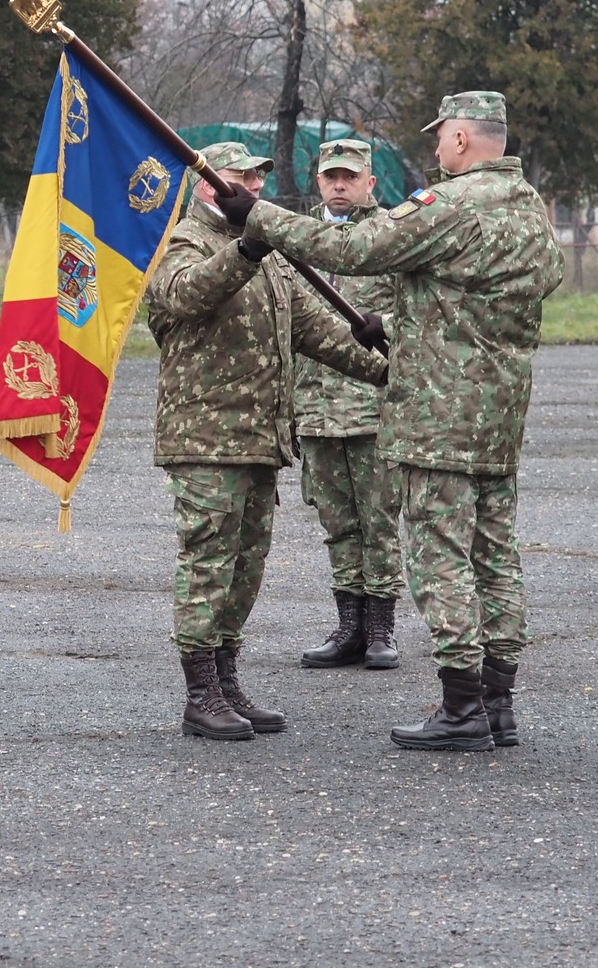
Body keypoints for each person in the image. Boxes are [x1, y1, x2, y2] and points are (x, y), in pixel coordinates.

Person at [236, 91, 564, 752]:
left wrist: (261, 217)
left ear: (464, 139)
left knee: (440, 557)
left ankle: (460, 705)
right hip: (498, 412)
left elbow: (354, 247)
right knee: (495, 556)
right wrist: (405, 321)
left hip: (440, 414)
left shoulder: (450, 203)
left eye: (441, 136)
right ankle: (498, 703)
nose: (435, 148)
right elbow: (518, 285)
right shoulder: (528, 208)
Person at [144, 142, 389, 741]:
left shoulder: (274, 256)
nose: (253, 185)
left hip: (260, 438)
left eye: (257, 176)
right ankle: (199, 692)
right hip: (205, 438)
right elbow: (184, 296)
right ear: (207, 187)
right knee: (207, 565)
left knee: (245, 569)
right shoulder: (186, 242)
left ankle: (227, 681)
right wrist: (246, 249)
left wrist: (390, 362)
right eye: (239, 177)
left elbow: (319, 331)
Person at [293, 140, 405, 671]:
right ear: (318, 181)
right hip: (314, 404)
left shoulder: (391, 235)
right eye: (330, 176)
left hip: (372, 405)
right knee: (337, 521)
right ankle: (350, 626)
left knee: (378, 518)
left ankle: (382, 628)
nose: (339, 185)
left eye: (349, 176)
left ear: (369, 182)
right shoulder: (299, 238)